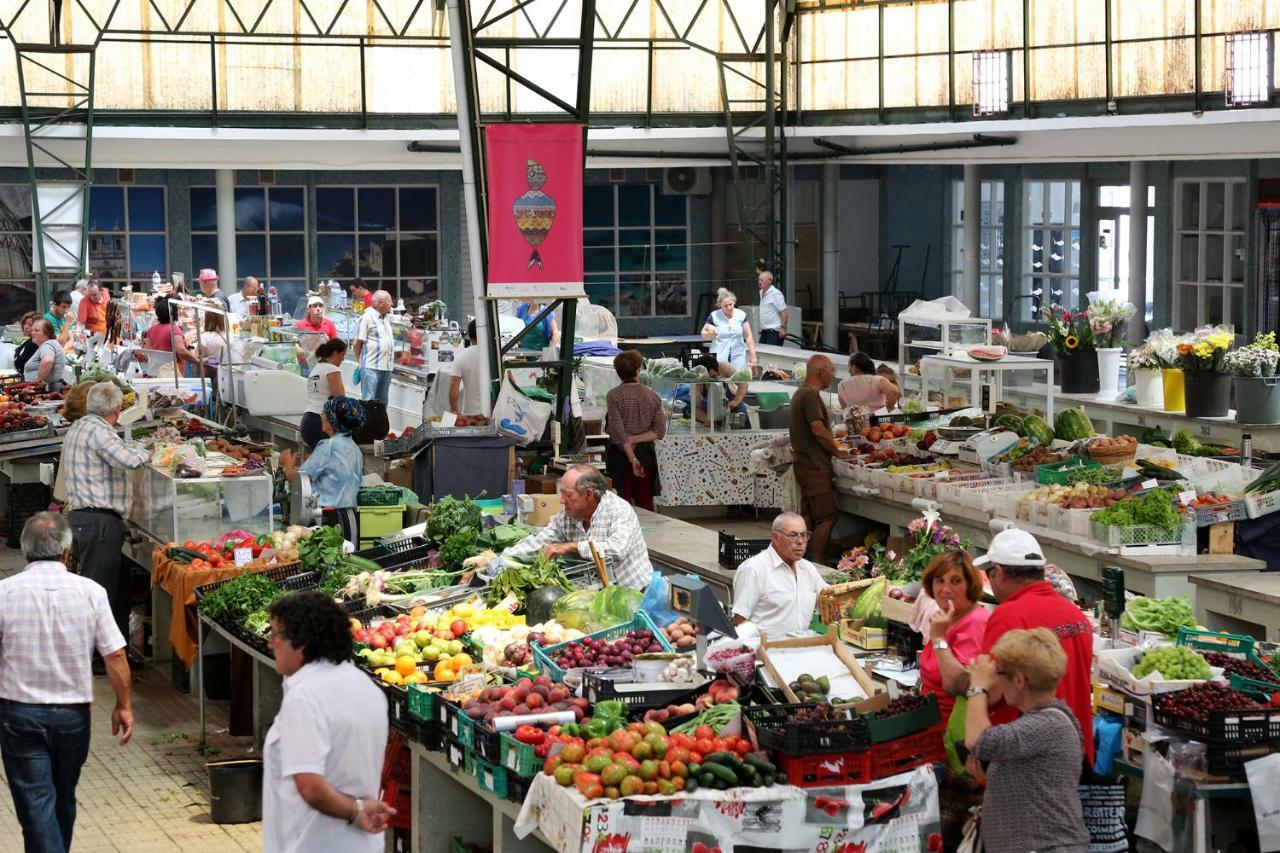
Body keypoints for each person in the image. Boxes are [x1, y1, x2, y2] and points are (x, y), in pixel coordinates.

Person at [0, 512, 134, 853]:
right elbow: (116, 656)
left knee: (37, 804)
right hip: (73, 718)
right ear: (66, 551)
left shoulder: (4, 593)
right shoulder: (90, 591)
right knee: (61, 796)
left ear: (26, 551)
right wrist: (124, 706)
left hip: (20, 717)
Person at [262, 591, 393, 852]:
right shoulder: (367, 688)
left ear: (299, 643)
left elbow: (311, 786)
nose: (270, 644)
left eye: (275, 635)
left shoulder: (306, 698)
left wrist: (356, 812)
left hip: (313, 843)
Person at [962, 528, 1095, 762]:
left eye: (989, 574)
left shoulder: (1009, 616)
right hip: (1075, 751)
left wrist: (971, 681)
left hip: (1023, 756)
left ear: (999, 573)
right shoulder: (1076, 616)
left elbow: (992, 691)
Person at [964, 628, 1089, 853]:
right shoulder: (1042, 720)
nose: (998, 683)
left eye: (1000, 674)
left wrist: (978, 686)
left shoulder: (1047, 724)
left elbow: (977, 740)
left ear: (1020, 680)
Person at [63, 383, 151, 650]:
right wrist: (150, 451)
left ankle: (113, 650)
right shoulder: (98, 431)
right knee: (100, 595)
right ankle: (99, 656)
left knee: (113, 590)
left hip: (86, 520)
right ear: (117, 408)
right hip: (98, 522)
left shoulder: (81, 426)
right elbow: (128, 459)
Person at [918, 549, 991, 851]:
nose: (945, 589)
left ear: (970, 585)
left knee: (951, 834)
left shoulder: (973, 622)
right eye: (938, 580)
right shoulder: (948, 617)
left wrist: (938, 637)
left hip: (955, 743)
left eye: (955, 581)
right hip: (934, 738)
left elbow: (956, 683)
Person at [501, 465, 651, 589]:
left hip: (637, 594)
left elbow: (617, 550)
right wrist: (501, 558)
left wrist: (571, 547)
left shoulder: (619, 510)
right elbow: (538, 542)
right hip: (600, 594)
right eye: (561, 493)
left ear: (589, 494)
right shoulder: (566, 517)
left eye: (568, 495)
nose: (561, 500)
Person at [788, 354, 848, 563]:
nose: (833, 375)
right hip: (814, 466)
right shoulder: (810, 396)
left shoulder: (800, 394)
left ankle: (802, 559)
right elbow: (818, 429)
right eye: (832, 371)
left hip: (804, 464)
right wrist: (837, 450)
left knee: (809, 517)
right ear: (821, 372)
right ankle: (818, 562)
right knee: (827, 516)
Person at [280, 396, 365, 542]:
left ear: (333, 421)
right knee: (346, 558)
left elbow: (298, 480)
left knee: (328, 560)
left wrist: (288, 464)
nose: (322, 417)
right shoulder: (354, 448)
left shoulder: (328, 446)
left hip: (330, 519)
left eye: (324, 414)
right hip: (350, 517)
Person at [731, 512, 827, 639]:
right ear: (775, 537)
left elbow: (829, 598)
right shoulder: (754, 569)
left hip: (801, 650)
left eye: (804, 535)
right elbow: (739, 621)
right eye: (793, 535)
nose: (800, 541)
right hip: (766, 652)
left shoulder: (808, 568)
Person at [604, 349, 666, 511]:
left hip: (620, 456)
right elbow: (659, 431)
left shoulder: (614, 396)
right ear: (639, 370)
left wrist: (632, 457)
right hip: (646, 454)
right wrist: (635, 440)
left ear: (618, 373)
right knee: (645, 502)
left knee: (620, 503)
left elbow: (617, 431)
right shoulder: (652, 395)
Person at [673, 354, 748, 426]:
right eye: (706, 379)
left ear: (718, 370)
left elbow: (744, 382)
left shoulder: (724, 367)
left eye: (713, 376)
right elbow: (696, 408)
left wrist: (736, 400)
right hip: (711, 414)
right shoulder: (696, 380)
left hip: (735, 410)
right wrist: (708, 420)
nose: (711, 381)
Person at [301, 339, 347, 450]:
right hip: (322, 423)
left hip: (307, 421)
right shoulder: (331, 369)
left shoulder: (316, 369)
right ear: (335, 353)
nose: (343, 359)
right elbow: (339, 399)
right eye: (343, 355)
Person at [351, 290, 395, 405]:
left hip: (387, 367)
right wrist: (361, 364)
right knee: (369, 402)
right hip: (371, 367)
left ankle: (381, 423)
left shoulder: (386, 318)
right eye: (389, 301)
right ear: (380, 303)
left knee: (382, 402)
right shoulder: (367, 317)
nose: (392, 304)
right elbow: (357, 344)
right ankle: (368, 424)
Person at [701, 288, 757, 369]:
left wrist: (753, 357)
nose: (729, 307)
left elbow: (748, 336)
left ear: (734, 302)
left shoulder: (741, 315)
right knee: (721, 379)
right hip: (720, 356)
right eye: (725, 306)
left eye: (730, 304)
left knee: (738, 379)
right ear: (720, 305)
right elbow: (703, 333)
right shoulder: (714, 315)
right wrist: (710, 334)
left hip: (738, 355)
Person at [142, 296, 195, 376]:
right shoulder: (174, 329)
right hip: (171, 372)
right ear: (174, 313)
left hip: (153, 371)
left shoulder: (150, 330)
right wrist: (197, 360)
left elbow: (147, 352)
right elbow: (181, 351)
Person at [447, 320, 490, 418]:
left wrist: (454, 410)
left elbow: (454, 385)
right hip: (491, 411)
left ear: (469, 336)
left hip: (470, 414)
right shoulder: (492, 356)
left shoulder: (461, 357)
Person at [24, 319, 66, 390]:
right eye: (32, 330)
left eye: (37, 330)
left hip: (48, 391)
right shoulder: (47, 344)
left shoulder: (47, 345)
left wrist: (38, 380)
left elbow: (47, 361)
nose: (33, 333)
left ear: (47, 333)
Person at [756, 271, 789, 346]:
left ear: (770, 281)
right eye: (759, 280)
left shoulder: (775, 293)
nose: (759, 282)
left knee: (772, 355)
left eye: (762, 280)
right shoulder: (761, 292)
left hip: (774, 332)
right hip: (765, 331)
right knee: (763, 355)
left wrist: (783, 328)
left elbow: (784, 311)